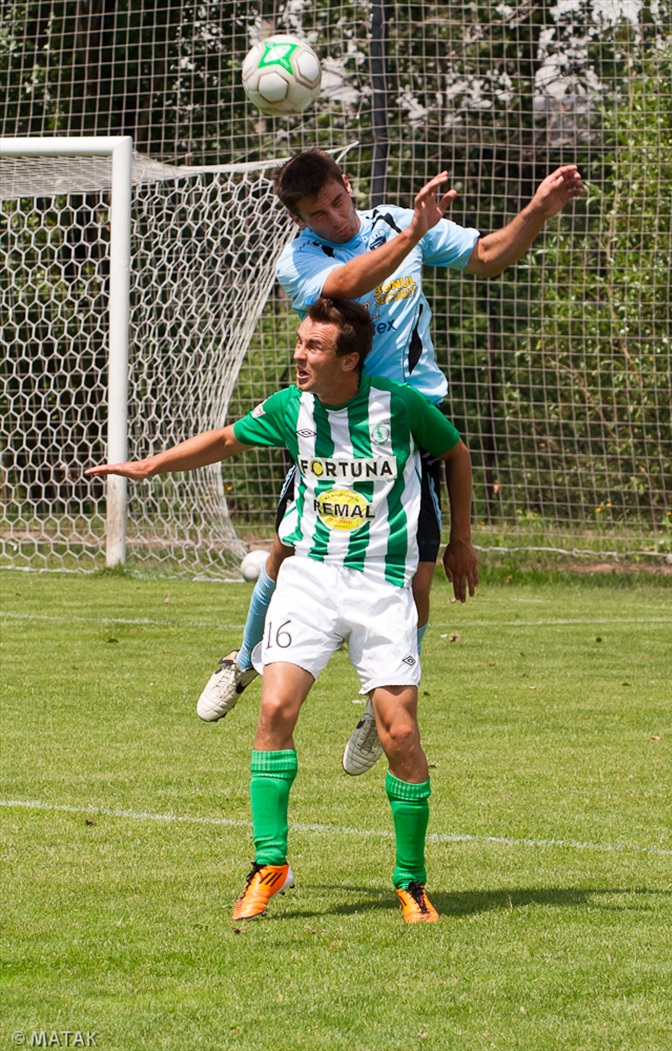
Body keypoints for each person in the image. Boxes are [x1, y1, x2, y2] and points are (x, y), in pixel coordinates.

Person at [87, 297, 479, 924]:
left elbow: (455, 453)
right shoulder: (290, 407)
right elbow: (225, 439)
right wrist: (151, 465)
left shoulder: (400, 406)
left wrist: (460, 540)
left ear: (349, 360)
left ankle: (411, 881)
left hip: (382, 587)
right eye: (300, 342)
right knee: (274, 709)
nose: (299, 354)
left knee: (402, 735)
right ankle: (269, 864)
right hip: (310, 581)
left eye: (313, 346)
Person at [198, 150, 583, 771]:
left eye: (339, 201)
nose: (335, 218)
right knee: (286, 551)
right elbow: (345, 288)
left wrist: (538, 210)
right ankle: (244, 660)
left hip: (408, 423)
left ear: (348, 185)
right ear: (300, 220)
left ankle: (380, 707)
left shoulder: (400, 221)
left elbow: (488, 256)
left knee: (417, 582)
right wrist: (413, 236)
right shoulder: (300, 260)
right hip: (337, 427)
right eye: (318, 214)